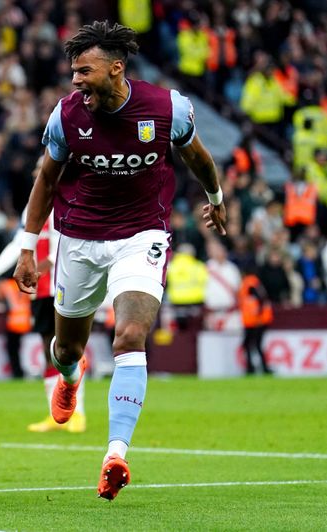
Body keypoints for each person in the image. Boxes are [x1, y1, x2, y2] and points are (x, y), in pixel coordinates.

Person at [13, 21, 227, 501]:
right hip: (79, 239)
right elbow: (46, 180)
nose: (75, 81)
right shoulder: (65, 117)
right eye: (72, 72)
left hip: (141, 234)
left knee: (130, 334)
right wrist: (28, 246)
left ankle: (115, 454)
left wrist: (215, 194)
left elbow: (197, 157)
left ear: (116, 68)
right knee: (66, 348)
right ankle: (70, 376)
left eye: (83, 71)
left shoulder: (168, 108)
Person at [0, 207, 87, 433]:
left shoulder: (67, 201)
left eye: (40, 172)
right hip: (40, 290)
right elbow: (19, 244)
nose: (39, 177)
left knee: (67, 350)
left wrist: (44, 265)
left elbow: (71, 241)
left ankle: (78, 413)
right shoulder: (31, 209)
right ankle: (56, 414)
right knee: (48, 351)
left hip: (63, 285)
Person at [238, 267, 273, 375]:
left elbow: (260, 300)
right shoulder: (256, 283)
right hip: (256, 320)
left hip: (253, 321)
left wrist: (258, 317)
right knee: (255, 344)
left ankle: (251, 368)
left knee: (250, 344)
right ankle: (262, 368)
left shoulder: (249, 283)